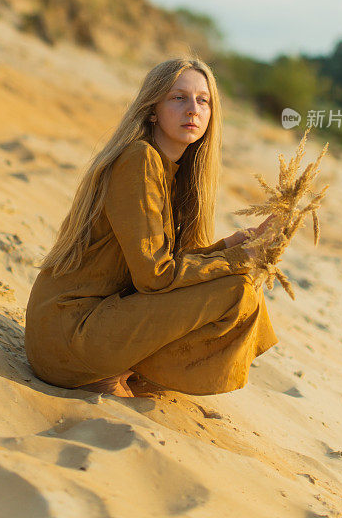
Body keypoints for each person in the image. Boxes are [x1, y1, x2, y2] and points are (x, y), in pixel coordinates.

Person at [24, 56, 278, 398]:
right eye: (179, 98)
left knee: (240, 283)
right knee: (235, 288)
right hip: (68, 335)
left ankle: (125, 368)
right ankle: (111, 371)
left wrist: (231, 245)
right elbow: (155, 275)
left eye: (203, 100)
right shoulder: (139, 159)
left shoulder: (174, 173)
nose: (193, 109)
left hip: (84, 328)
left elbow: (166, 264)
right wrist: (238, 259)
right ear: (153, 110)